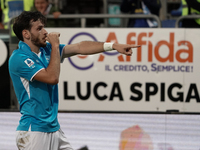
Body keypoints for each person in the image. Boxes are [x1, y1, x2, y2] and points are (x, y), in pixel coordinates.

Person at [8, 11, 140, 150]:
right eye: (39, 28)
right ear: (26, 34)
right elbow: (52, 78)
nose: (45, 32)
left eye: (44, 27)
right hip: (33, 130)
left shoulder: (45, 50)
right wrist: (54, 46)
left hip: (53, 128)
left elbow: (79, 47)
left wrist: (112, 46)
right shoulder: (19, 58)